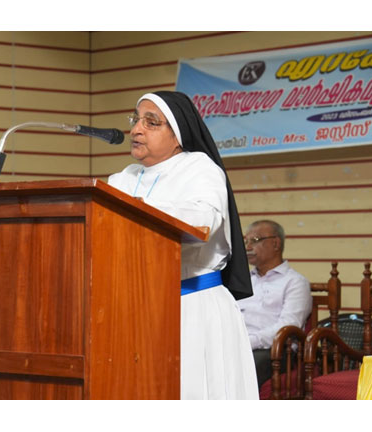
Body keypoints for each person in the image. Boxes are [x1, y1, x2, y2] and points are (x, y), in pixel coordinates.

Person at [108, 91, 258, 399]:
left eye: (152, 122)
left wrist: (139, 208)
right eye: (136, 120)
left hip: (193, 304)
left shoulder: (200, 169)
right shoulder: (122, 178)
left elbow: (203, 221)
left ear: (178, 135)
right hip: (137, 308)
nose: (137, 129)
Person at [236, 220, 312, 388]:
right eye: (246, 241)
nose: (247, 247)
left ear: (275, 243)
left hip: (275, 351)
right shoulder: (244, 280)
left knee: (246, 366)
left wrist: (249, 342)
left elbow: (288, 325)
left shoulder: (295, 282)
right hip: (238, 344)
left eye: (254, 241)